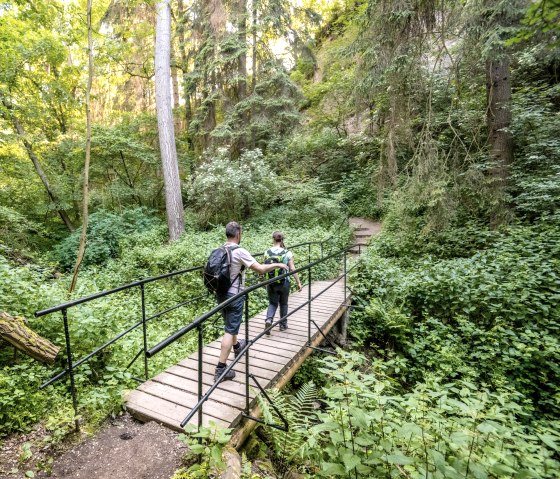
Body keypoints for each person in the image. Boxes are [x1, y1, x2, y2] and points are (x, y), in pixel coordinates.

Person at [214, 221, 288, 383]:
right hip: (234, 295)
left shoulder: (219, 249)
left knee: (230, 324)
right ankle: (221, 369)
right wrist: (279, 264)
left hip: (220, 294)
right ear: (238, 234)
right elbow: (260, 269)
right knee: (230, 329)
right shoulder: (240, 251)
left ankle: (237, 347)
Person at [264, 231, 303, 335]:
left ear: (273, 239)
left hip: (271, 282)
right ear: (282, 240)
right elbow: (292, 268)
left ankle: (269, 320)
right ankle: (283, 325)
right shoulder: (287, 253)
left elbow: (265, 267)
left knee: (272, 303)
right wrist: (298, 282)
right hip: (284, 282)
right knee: (284, 303)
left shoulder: (267, 252)